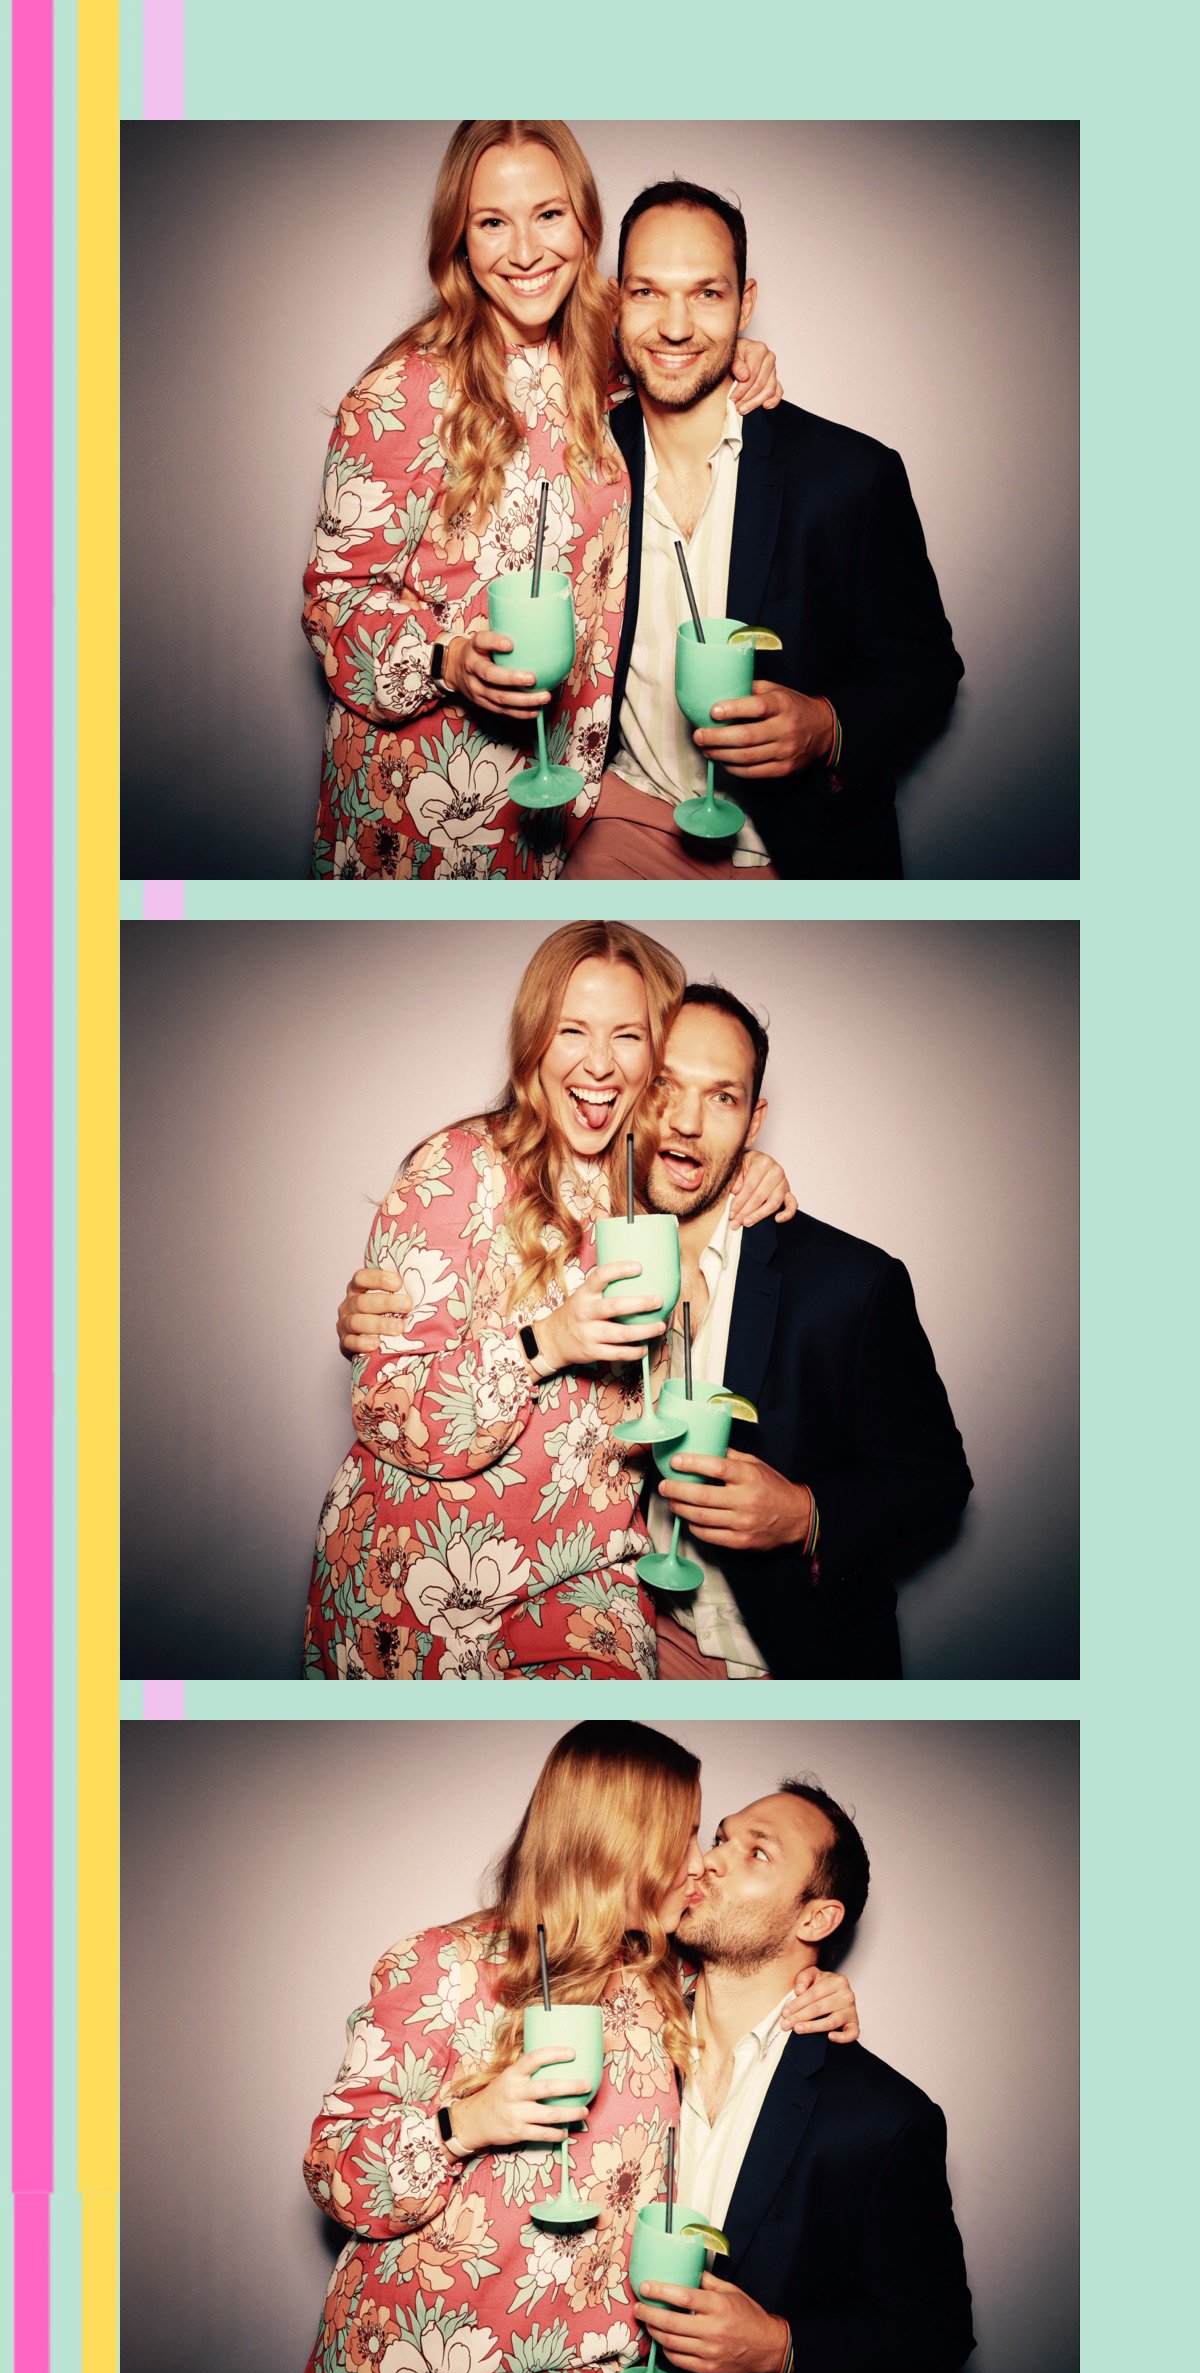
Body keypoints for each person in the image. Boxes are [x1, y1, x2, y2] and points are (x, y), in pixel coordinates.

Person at [291, 1729, 859, 2373]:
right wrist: (465, 2124)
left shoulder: (665, 1984)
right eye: (687, 1834)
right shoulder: (440, 1969)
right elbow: (336, 2177)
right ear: (618, 1838)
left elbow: (759, 1987)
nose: (699, 1864)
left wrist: (825, 1989)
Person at [303, 927, 797, 1681]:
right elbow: (384, 1407)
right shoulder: (460, 1167)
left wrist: (756, 1172)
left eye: (628, 1036)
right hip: (416, 1581)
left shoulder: (658, 1191)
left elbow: (712, 1150)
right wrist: (545, 1342)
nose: (599, 1063)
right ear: (536, 1039)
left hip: (585, 1577)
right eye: (573, 1030)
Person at [301, 126, 779, 882]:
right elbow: (333, 604)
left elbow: (682, 352)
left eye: (548, 214)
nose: (525, 250)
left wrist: (740, 355)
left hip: (572, 804)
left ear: (585, 223)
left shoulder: (609, 370)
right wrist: (446, 660)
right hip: (424, 803)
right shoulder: (402, 394)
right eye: (493, 221)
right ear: (460, 240)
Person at [565, 178, 962, 884]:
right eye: (648, 291)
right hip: (629, 822)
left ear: (745, 303)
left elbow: (927, 672)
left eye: (707, 294)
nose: (677, 326)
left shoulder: (853, 478)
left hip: (796, 851)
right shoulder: (577, 460)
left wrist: (827, 726)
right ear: (615, 300)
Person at [629, 1780, 974, 2373]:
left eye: (756, 1851)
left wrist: (782, 2347)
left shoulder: (885, 2117)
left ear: (816, 1918)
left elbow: (936, 2334)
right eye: (720, 1838)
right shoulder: (626, 2042)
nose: (711, 1860)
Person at [637, 979, 971, 1678]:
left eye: (721, 1097)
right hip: (617, 1643)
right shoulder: (567, 1253)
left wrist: (804, 1514)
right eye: (666, 1087)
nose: (688, 1123)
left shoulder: (852, 1284)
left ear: (754, 1122)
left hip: (783, 1663)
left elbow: (938, 1482)